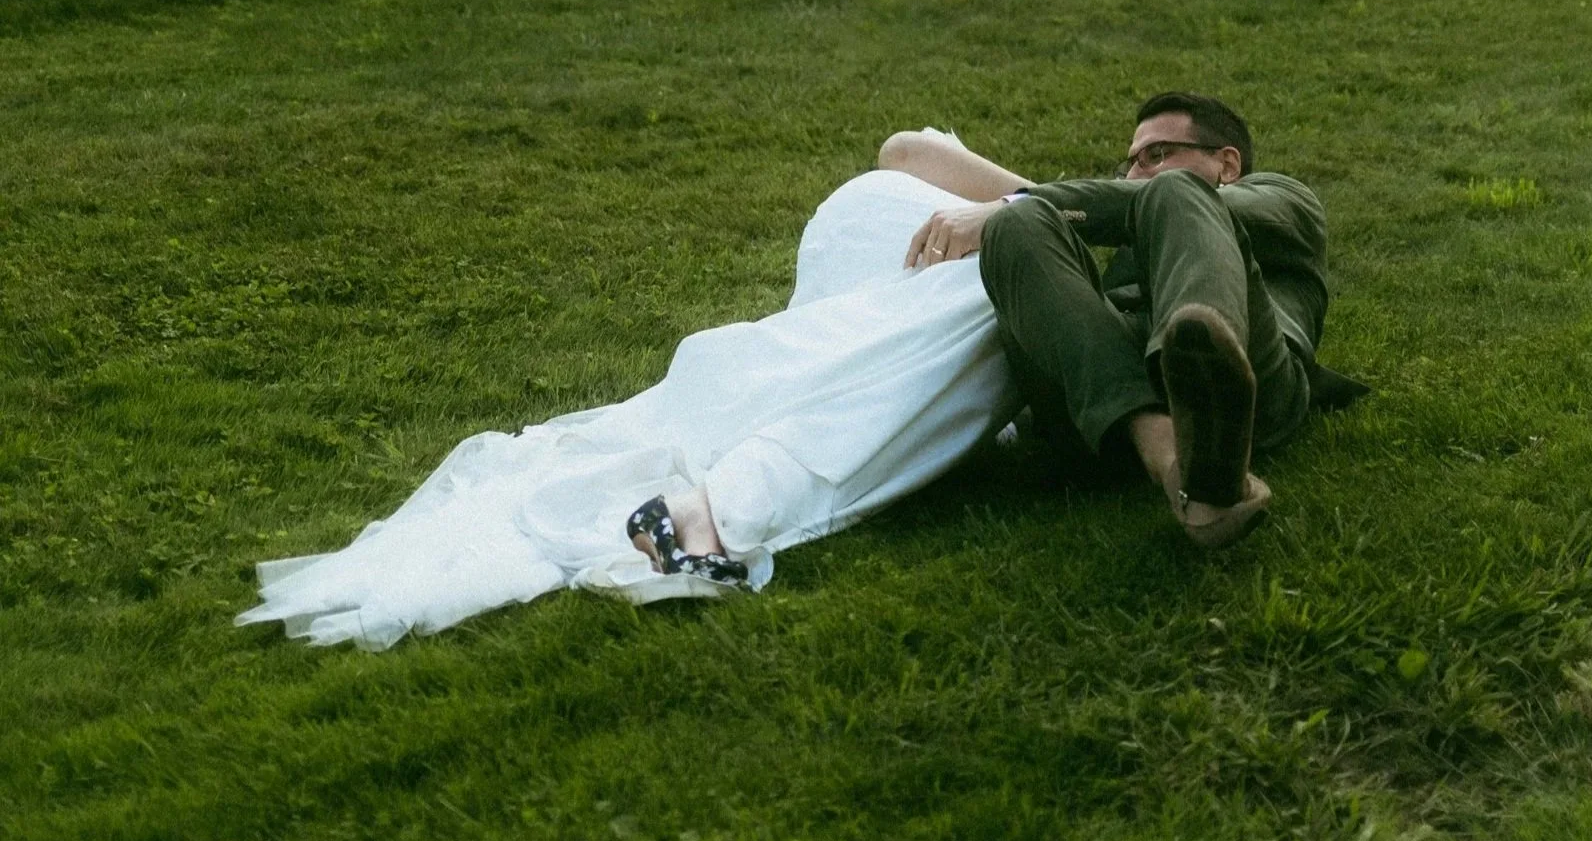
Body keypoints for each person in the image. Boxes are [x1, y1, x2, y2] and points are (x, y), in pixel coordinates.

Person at [237, 148, 1020, 648]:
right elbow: (903, 150)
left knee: (927, 336)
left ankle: (714, 507)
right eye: (1139, 153)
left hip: (921, 288)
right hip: (887, 246)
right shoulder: (1045, 215)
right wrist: (1029, 204)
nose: (1145, 165)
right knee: (948, 318)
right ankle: (714, 514)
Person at [887, 92, 1354, 552]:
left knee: (1167, 191)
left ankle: (1205, 376)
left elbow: (1144, 198)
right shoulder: (1137, 222)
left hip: (1260, 380)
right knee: (1016, 225)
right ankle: (1169, 452)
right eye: (1129, 165)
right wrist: (1014, 209)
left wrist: (1013, 200)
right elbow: (903, 152)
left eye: (1156, 154)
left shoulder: (1286, 198)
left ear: (1228, 164)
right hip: (1101, 397)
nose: (1134, 174)